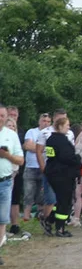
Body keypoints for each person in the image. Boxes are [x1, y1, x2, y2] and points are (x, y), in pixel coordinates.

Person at [43, 115, 81, 238]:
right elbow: (67, 157)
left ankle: (48, 221)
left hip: (53, 173)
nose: (69, 128)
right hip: (62, 175)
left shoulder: (51, 139)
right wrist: (78, 159)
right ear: (60, 126)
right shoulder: (61, 141)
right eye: (67, 125)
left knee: (60, 200)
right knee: (65, 201)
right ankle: (60, 228)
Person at [0, 104, 26, 259]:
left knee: (2, 220)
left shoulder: (12, 135)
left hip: (5, 182)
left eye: (2, 116)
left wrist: (7, 156)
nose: (0, 119)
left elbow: (21, 160)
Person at [22, 111, 51, 233]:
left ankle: (40, 216)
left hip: (44, 167)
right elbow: (28, 146)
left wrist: (38, 148)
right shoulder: (32, 132)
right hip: (31, 167)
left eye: (48, 121)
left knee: (41, 195)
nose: (46, 123)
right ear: (39, 121)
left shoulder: (51, 133)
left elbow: (50, 149)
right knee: (28, 192)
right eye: (43, 121)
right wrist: (41, 149)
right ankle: (26, 216)